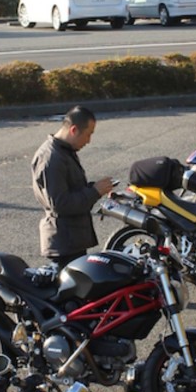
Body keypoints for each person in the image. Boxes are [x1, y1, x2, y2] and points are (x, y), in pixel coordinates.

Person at [31, 105, 114, 269]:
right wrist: (94, 191)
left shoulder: (64, 151)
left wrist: (96, 188)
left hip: (71, 238)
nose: (89, 141)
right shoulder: (52, 159)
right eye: (88, 134)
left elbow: (71, 189)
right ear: (74, 130)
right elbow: (60, 204)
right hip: (64, 242)